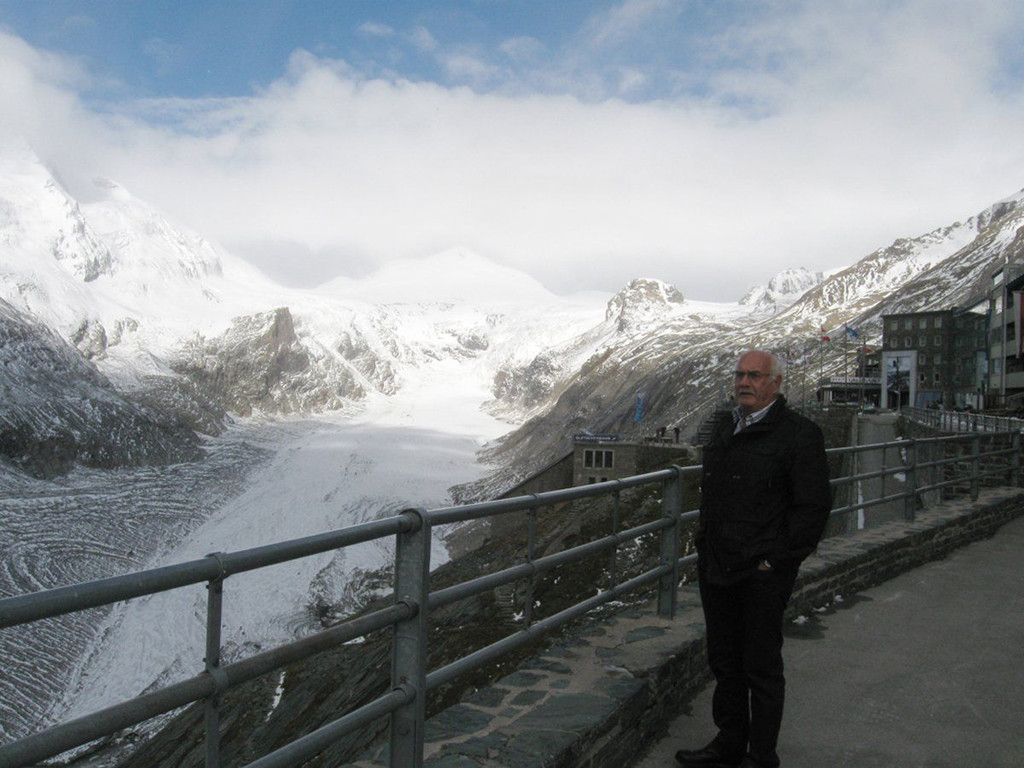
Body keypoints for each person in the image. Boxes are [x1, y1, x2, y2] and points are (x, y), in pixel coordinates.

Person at [677, 349, 832, 768]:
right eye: (740, 374)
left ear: (776, 383)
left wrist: (774, 562)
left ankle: (761, 756)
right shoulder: (726, 426)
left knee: (760, 667)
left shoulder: (800, 435)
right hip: (718, 565)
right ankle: (729, 742)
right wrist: (705, 545)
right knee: (725, 662)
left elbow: (812, 508)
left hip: (762, 573)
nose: (744, 382)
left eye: (755, 376)